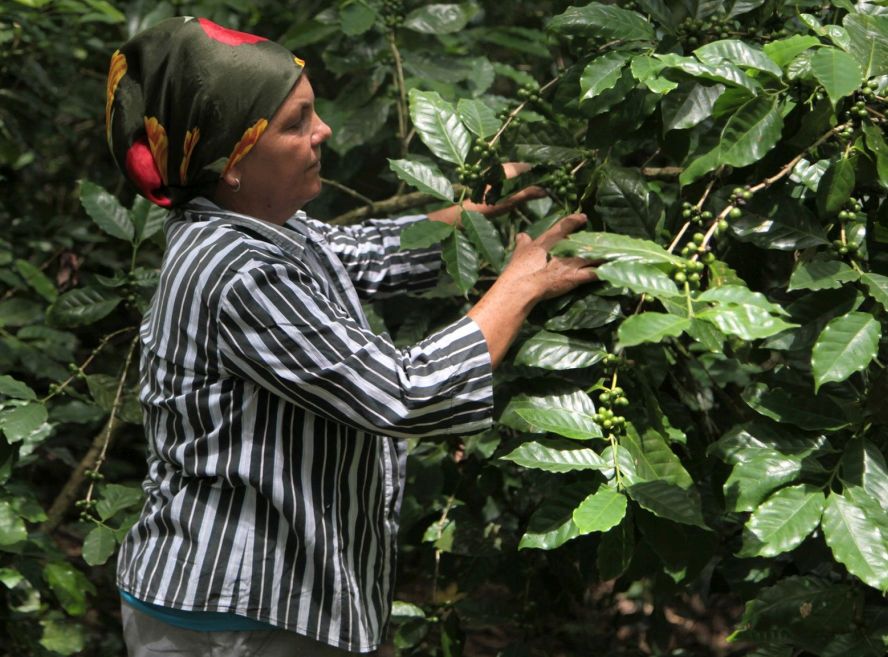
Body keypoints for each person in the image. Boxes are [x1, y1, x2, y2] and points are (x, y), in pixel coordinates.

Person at [105, 16, 597, 657]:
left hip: (265, 603)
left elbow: (370, 252)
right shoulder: (237, 269)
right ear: (232, 162)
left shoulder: (266, 227)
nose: (323, 131)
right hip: (232, 619)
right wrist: (520, 286)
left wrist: (475, 211)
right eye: (296, 123)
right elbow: (406, 394)